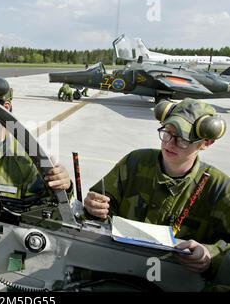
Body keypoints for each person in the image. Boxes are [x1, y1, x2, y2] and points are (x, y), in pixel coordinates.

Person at [83, 98, 229, 278]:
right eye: (167, 133)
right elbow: (98, 208)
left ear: (206, 143)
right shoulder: (135, 162)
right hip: (117, 268)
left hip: (176, 279)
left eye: (182, 139)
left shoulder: (219, 188)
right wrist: (93, 207)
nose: (169, 144)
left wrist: (210, 255)